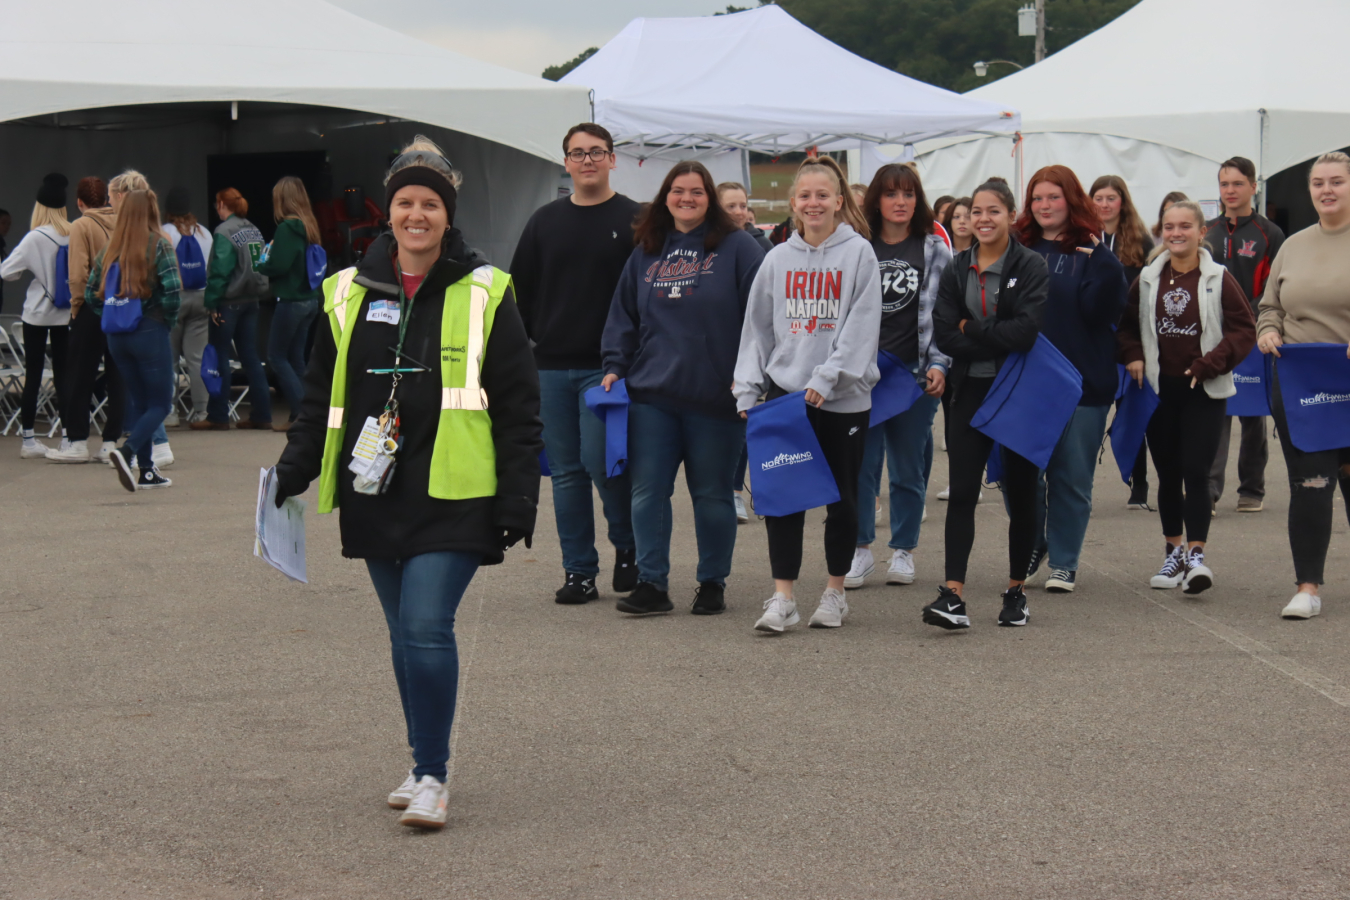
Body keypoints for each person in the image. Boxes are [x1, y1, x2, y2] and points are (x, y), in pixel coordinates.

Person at [272, 136, 542, 828]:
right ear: (386, 213)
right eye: (404, 203)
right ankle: (422, 756)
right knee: (403, 636)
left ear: (447, 215)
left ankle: (432, 775)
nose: (416, 214)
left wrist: (518, 495)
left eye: (430, 203)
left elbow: (517, 404)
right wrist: (296, 468)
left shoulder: (488, 291)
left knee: (426, 626)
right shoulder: (344, 292)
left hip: (455, 492)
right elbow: (317, 398)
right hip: (374, 486)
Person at [602, 163, 765, 616]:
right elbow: (623, 317)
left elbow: (762, 316)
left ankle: (712, 582)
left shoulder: (738, 248)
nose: (686, 198)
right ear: (665, 197)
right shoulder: (647, 250)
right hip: (652, 396)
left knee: (712, 495)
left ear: (709, 198)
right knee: (647, 492)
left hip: (716, 397)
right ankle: (652, 583)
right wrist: (615, 366)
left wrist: (754, 374)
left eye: (696, 191)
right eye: (678, 191)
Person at [733, 156, 881, 633]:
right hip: (785, 398)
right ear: (793, 203)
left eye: (823, 195)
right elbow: (756, 331)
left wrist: (826, 379)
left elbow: (861, 328)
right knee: (784, 499)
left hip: (842, 400)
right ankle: (783, 599)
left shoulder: (859, 254)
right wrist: (747, 388)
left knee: (842, 499)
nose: (814, 203)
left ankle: (835, 592)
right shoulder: (776, 259)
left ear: (840, 202)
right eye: (805, 195)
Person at [510, 123, 639, 604]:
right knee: (565, 473)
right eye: (577, 153)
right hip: (550, 367)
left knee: (604, 467)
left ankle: (629, 549)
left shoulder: (635, 220)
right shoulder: (544, 221)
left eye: (596, 152)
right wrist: (528, 347)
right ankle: (579, 572)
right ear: (565, 162)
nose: (587, 160)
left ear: (612, 159)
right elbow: (517, 292)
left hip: (606, 368)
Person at [927, 177, 1048, 630]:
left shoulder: (1030, 264)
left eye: (993, 210)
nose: (983, 219)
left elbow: (1025, 333)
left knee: (1020, 492)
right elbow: (943, 335)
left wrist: (973, 330)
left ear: (1012, 216)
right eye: (976, 211)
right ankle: (953, 594)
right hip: (970, 391)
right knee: (961, 492)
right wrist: (987, 336)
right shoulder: (957, 267)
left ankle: (1016, 591)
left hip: (1017, 392)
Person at [1118, 200, 1255, 594]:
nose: (1176, 233)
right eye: (1169, 226)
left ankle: (1196, 556)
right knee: (1168, 475)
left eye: (1185, 226)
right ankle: (1173, 551)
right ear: (1162, 231)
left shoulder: (1219, 277)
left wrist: (1211, 363)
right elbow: (1126, 329)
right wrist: (1134, 356)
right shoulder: (1146, 279)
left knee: (1197, 473)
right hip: (1158, 393)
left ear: (1201, 231)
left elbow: (1243, 330)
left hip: (1204, 391)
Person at [1016, 165, 1127, 594]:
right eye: (1037, 198)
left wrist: (1105, 263)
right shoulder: (1018, 246)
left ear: (1071, 200)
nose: (1044, 206)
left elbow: (1105, 311)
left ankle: (1064, 561)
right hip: (1025, 383)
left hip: (1083, 382)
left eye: (1053, 197)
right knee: (1019, 475)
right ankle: (1035, 540)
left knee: (1071, 477)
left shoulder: (1091, 250)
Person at [844, 163, 951, 589]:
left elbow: (945, 315)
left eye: (908, 194)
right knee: (861, 467)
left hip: (913, 376)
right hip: (862, 375)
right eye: (891, 194)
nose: (901, 202)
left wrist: (940, 364)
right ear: (877, 201)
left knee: (908, 469)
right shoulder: (855, 247)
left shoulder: (933, 249)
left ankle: (904, 549)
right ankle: (860, 549)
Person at [1255, 151, 1350, 620]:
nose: (1326, 190)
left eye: (1337, 181)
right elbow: (1269, 305)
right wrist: (1267, 330)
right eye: (1318, 183)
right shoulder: (1293, 245)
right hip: (1302, 385)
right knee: (1310, 484)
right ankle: (1307, 587)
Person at [84, 190, 180, 491]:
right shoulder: (159, 244)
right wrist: (165, 320)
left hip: (116, 336)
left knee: (139, 401)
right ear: (151, 211)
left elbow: (89, 294)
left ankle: (148, 470)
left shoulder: (110, 249)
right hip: (149, 331)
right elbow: (174, 290)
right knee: (161, 403)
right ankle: (126, 453)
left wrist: (111, 315)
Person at [1206, 157, 1286, 514]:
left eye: (1237, 184)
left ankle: (1252, 489)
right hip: (1213, 334)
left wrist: (1249, 319)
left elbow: (1275, 286)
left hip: (1254, 335)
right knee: (1215, 410)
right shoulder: (1207, 230)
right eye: (1224, 184)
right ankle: (1208, 489)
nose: (1230, 191)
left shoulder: (1271, 233)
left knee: (1253, 413)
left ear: (1253, 186)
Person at [1091, 174, 1156, 510]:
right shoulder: (1082, 238)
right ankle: (1079, 483)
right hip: (1092, 340)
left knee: (1132, 412)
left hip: (1131, 339)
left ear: (1122, 202)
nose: (1104, 204)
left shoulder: (1142, 242)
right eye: (1098, 198)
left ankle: (1139, 485)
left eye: (1110, 198)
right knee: (1088, 413)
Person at [46, 176, 121, 464]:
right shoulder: (124, 221)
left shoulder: (82, 225)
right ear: (106, 198)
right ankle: (111, 441)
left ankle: (77, 440)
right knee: (118, 373)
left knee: (80, 373)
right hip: (122, 304)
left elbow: (78, 273)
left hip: (93, 304)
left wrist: (77, 307)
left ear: (79, 202)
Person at [1, 174, 71, 458]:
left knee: (33, 375)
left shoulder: (34, 237)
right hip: (65, 313)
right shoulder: (73, 232)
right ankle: (69, 436)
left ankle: (28, 439)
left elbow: (6, 272)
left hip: (36, 314)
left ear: (39, 206)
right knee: (65, 376)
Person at [196, 187, 273, 430]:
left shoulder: (224, 231)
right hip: (252, 299)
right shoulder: (253, 229)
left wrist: (212, 302)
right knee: (250, 356)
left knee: (220, 355)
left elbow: (220, 270)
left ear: (221, 205)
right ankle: (262, 413)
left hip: (229, 302)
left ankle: (218, 415)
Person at [257, 176, 323, 431]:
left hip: (291, 300)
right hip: (309, 300)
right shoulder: (309, 225)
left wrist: (261, 264)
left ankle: (303, 414)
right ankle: (306, 414)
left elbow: (278, 265)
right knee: (297, 359)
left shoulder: (286, 228)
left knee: (276, 357)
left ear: (282, 200)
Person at [161, 187, 213, 425]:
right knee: (197, 359)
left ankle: (170, 412)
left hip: (175, 298)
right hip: (202, 299)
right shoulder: (204, 233)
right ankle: (202, 412)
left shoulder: (165, 232)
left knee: (169, 358)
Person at [717, 181, 773, 253]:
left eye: (743, 206)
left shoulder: (762, 244)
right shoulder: (707, 242)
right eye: (731, 206)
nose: (739, 212)